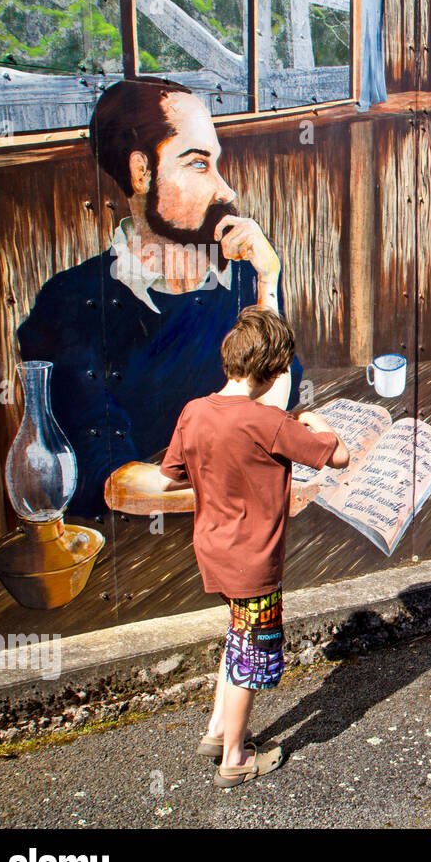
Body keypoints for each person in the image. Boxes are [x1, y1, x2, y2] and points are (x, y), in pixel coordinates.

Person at [17, 76, 301, 518]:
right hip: (136, 553)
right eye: (199, 165)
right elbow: (109, 476)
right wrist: (245, 489)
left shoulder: (238, 276)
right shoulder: (69, 305)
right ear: (141, 172)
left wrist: (269, 283)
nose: (226, 191)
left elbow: (283, 390)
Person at [157, 307, 349, 788]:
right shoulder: (271, 423)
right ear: (273, 371)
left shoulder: (194, 411)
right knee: (250, 656)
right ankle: (236, 759)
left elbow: (170, 475)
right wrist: (316, 419)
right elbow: (338, 455)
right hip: (254, 562)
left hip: (213, 551)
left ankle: (218, 730)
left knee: (236, 633)